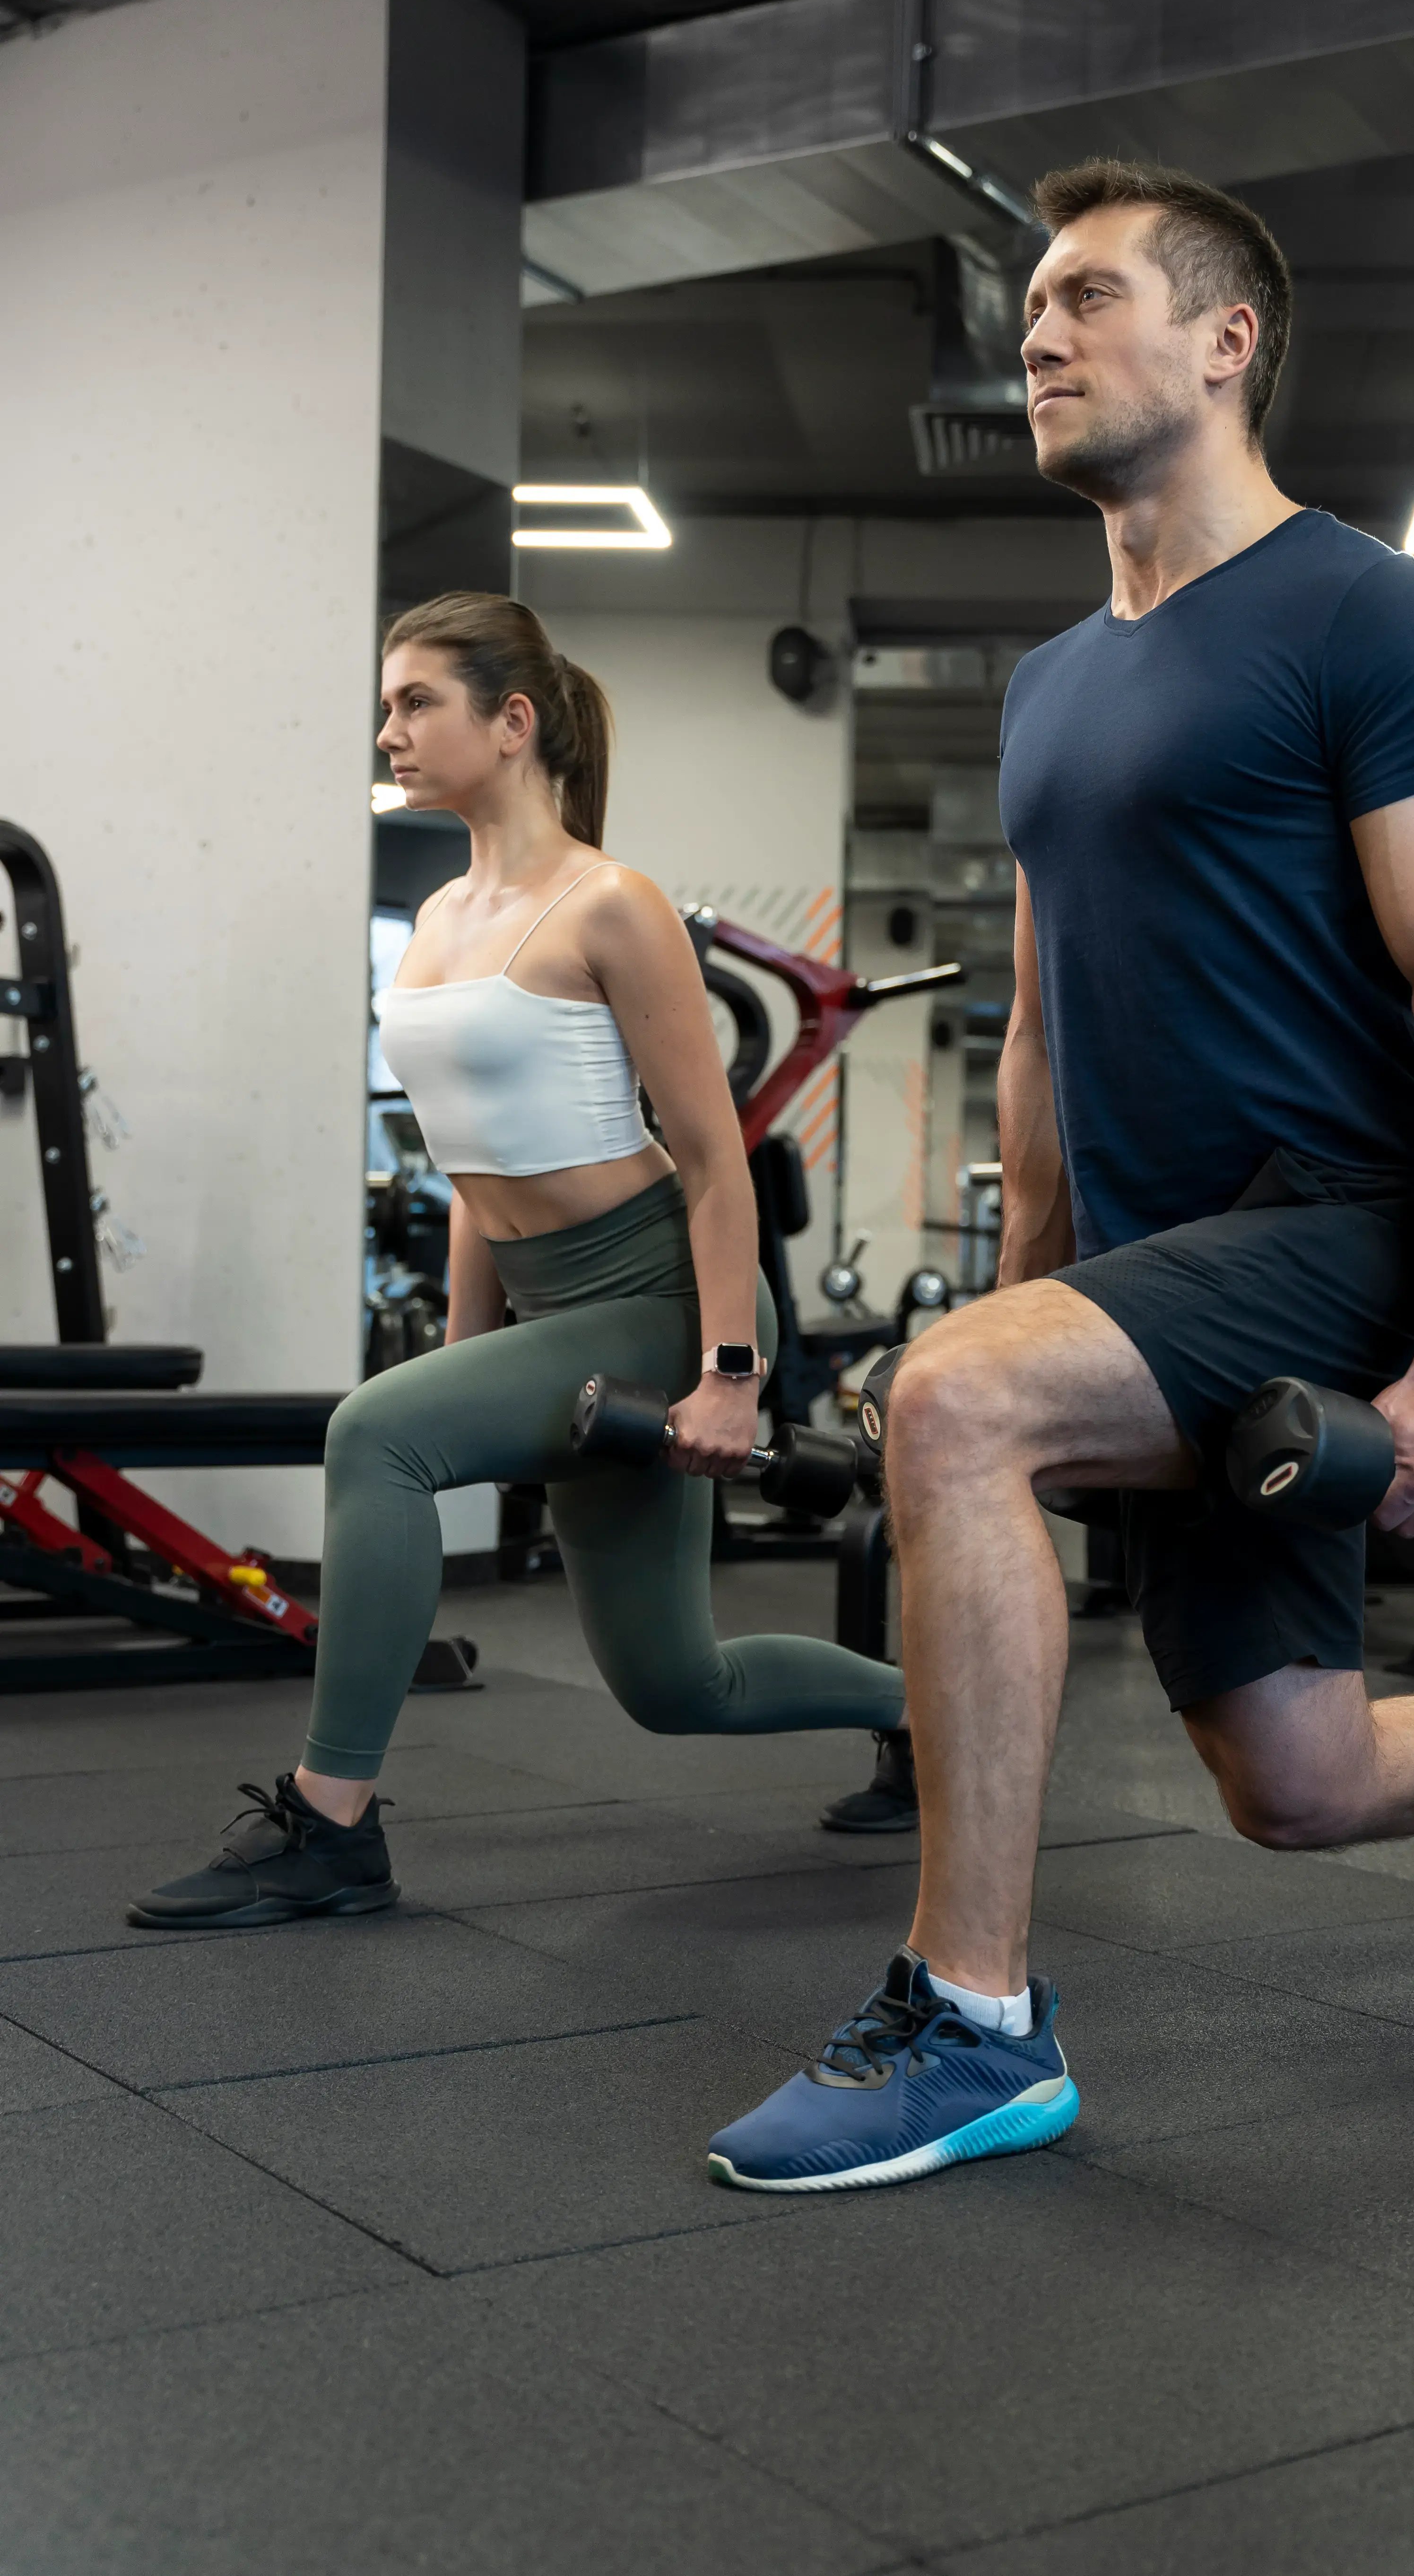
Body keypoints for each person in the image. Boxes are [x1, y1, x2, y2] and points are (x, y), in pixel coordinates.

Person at [707, 159, 1414, 2193]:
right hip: (1176, 1254)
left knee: (958, 1398)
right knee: (1299, 1775)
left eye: (1086, 298)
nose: (1041, 339)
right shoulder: (1051, 680)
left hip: (1335, 1218)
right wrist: (1036, 1277)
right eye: (1028, 317)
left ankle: (973, 2020)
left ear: (1228, 337)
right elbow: (1047, 1026)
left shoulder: (1379, 613)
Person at [129, 592, 904, 1930]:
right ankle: (934, 1715)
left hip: (662, 1293)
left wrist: (731, 1374)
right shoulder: (434, 922)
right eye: (387, 704)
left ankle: (330, 1828)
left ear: (514, 721)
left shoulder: (614, 905)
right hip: (553, 1308)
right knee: (677, 1686)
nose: (390, 730)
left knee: (370, 1435)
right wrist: (461, 1361)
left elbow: (717, 1165)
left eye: (416, 701)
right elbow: (473, 1177)